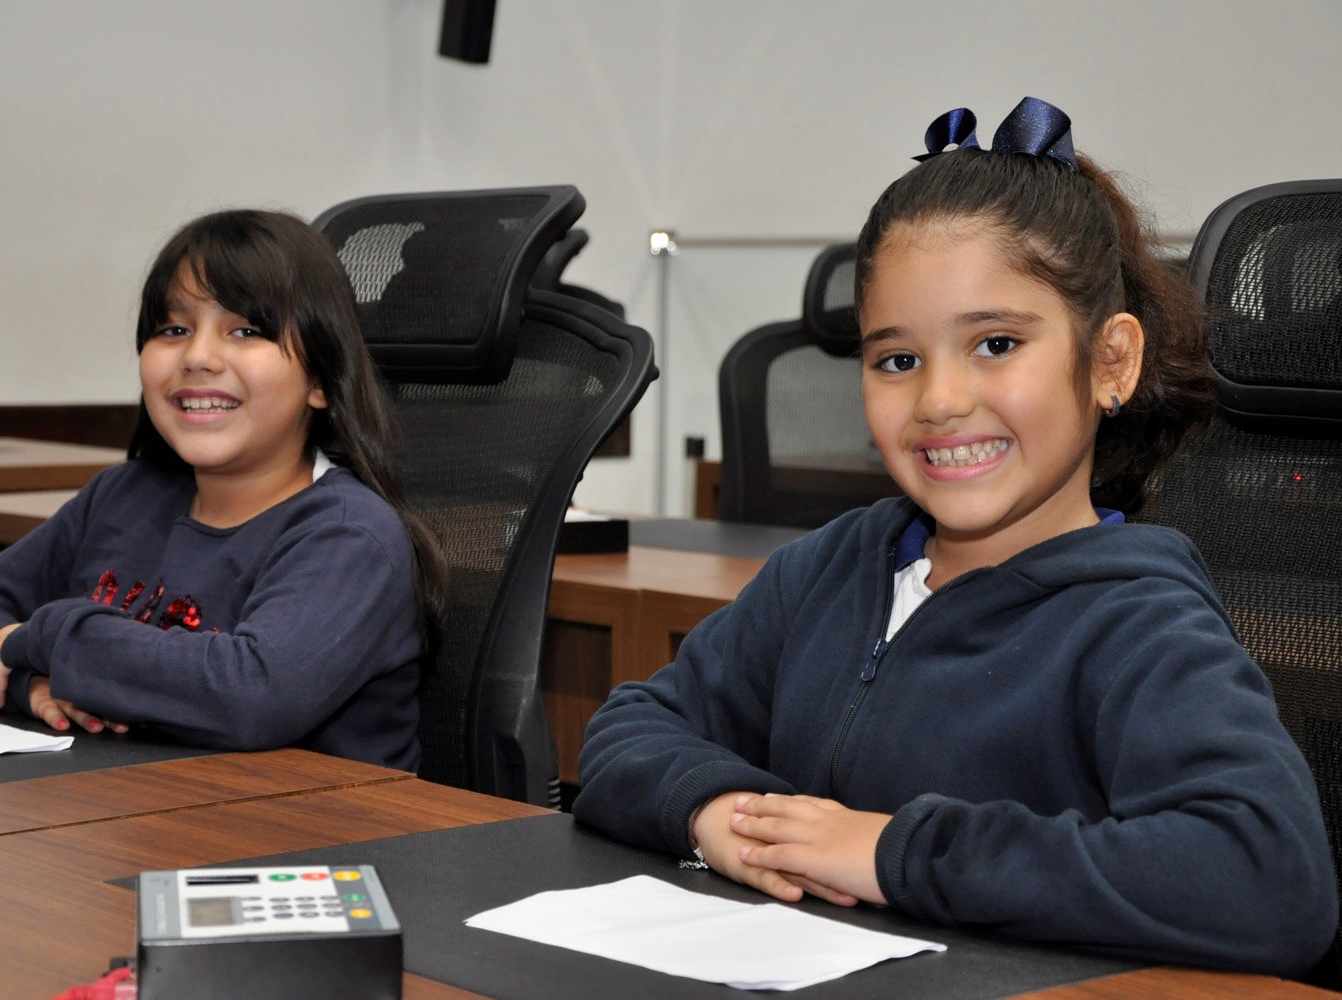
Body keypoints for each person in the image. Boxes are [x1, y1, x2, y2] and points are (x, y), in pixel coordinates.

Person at [572, 98, 1336, 976]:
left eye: (996, 343)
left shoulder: (1140, 625)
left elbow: (1269, 881)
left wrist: (891, 852)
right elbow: (630, 729)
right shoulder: (830, 569)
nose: (938, 400)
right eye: (897, 360)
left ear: (1110, 362)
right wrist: (723, 817)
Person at [0, 209, 444, 769]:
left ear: (319, 380)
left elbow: (250, 696)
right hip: (128, 801)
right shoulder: (124, 495)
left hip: (304, 818)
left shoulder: (348, 535)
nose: (198, 357)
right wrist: (32, 684)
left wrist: (50, 638)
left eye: (246, 330)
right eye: (173, 330)